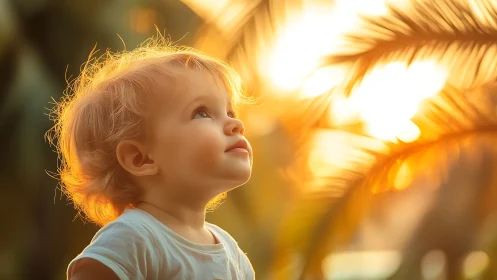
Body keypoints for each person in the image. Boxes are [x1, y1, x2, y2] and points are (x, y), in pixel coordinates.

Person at [47, 36, 255, 280]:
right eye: (201, 112)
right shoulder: (132, 239)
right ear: (140, 158)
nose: (236, 124)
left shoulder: (234, 255)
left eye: (230, 111)